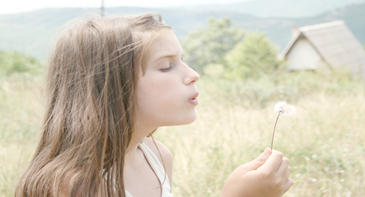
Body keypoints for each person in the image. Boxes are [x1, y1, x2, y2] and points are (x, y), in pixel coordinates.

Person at [15, 13, 293, 197]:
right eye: (166, 66)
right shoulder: (72, 186)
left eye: (181, 60)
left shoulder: (157, 156)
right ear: (111, 88)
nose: (192, 73)